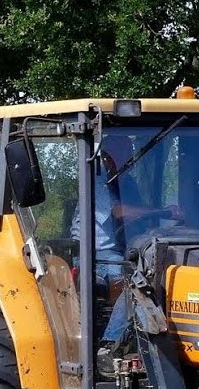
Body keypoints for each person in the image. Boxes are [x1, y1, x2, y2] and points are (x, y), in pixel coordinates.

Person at [71, 135, 182, 374]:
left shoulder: (127, 183)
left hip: (123, 251)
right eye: (124, 151)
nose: (130, 157)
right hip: (95, 254)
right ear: (107, 154)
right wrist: (163, 211)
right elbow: (120, 212)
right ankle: (110, 345)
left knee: (159, 273)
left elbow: (140, 218)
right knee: (135, 283)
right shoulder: (97, 180)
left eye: (131, 150)